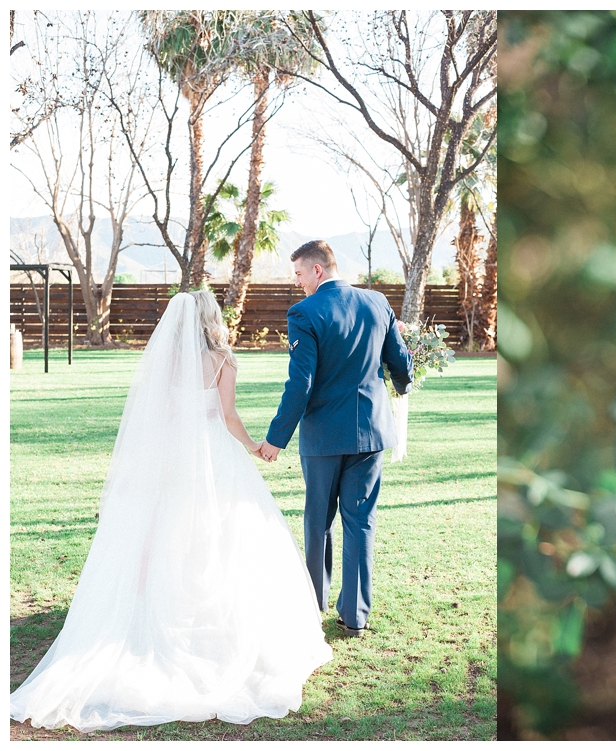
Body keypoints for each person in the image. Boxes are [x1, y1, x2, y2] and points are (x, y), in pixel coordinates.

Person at [10, 290, 332, 733]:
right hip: (215, 458)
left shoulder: (165, 361)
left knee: (165, 531)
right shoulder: (223, 358)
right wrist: (254, 446)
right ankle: (213, 626)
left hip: (172, 461)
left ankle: (161, 611)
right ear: (211, 317)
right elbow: (228, 416)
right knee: (219, 535)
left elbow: (155, 418)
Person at [258, 240, 413, 637]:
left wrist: (277, 437)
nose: (296, 283)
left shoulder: (305, 312)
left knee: (318, 521)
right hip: (372, 434)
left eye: (297, 274)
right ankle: (355, 617)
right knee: (361, 522)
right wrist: (403, 382)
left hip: (325, 437)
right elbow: (400, 363)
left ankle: (313, 604)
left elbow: (301, 383)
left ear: (317, 271)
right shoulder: (379, 302)